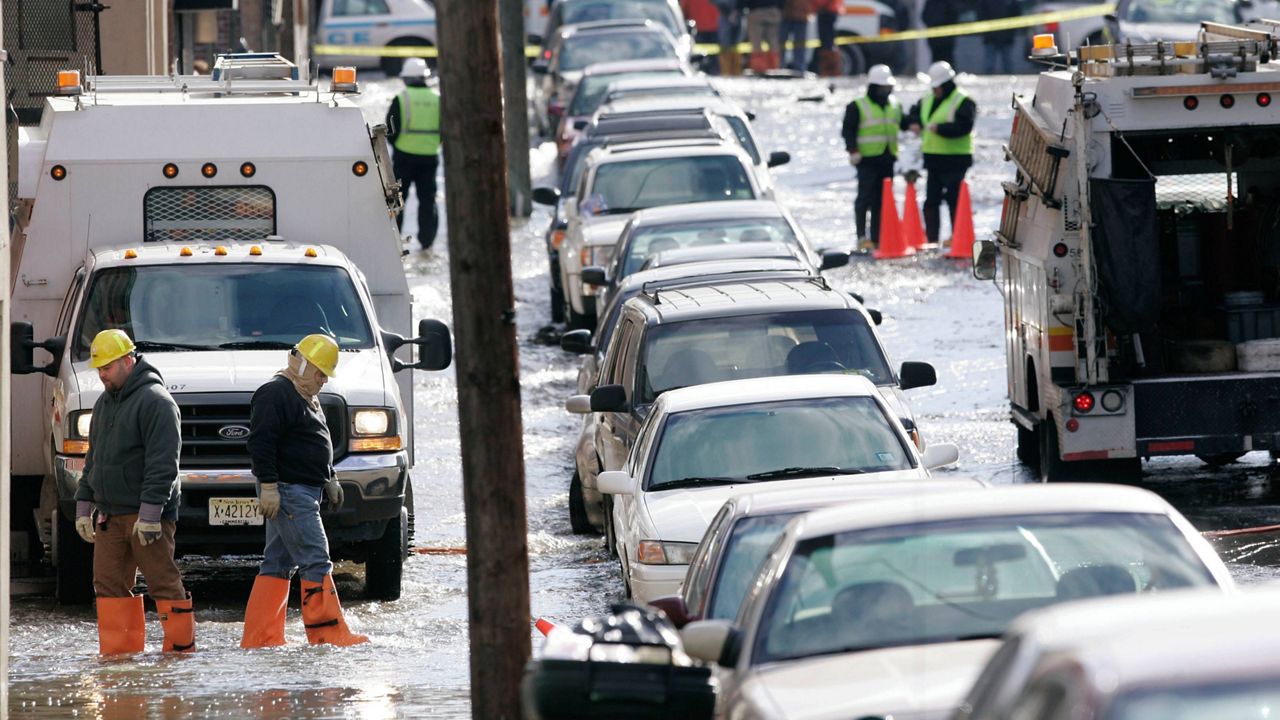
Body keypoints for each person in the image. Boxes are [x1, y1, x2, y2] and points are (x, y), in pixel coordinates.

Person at [240, 334, 369, 648]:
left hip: (301, 489)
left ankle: (261, 638)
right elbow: (261, 444)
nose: (323, 380)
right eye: (319, 372)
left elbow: (315, 441)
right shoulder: (275, 394)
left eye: (326, 374)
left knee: (276, 562)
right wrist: (268, 486)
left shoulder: (306, 394)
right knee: (316, 558)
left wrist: (330, 477)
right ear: (299, 363)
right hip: (289, 490)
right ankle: (327, 634)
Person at [74, 329, 191, 655]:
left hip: (146, 515)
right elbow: (93, 460)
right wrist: (84, 507)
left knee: (163, 583)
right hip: (110, 515)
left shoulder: (156, 402)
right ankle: (119, 658)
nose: (102, 375)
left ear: (128, 361)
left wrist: (151, 515)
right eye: (98, 369)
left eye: (107, 368)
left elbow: (164, 465)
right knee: (108, 585)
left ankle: (181, 654)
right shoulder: (104, 404)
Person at [905, 61, 975, 247]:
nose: (934, 90)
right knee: (931, 201)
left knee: (954, 200)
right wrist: (914, 123)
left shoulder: (963, 101)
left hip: (955, 159)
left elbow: (964, 126)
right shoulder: (928, 99)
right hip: (933, 158)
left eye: (937, 87)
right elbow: (915, 113)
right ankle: (932, 238)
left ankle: (957, 237)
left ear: (946, 84)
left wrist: (941, 129)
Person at [841, 64, 903, 251]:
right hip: (867, 160)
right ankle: (862, 237)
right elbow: (848, 130)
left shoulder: (894, 104)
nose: (887, 90)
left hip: (887, 158)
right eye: (883, 87)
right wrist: (853, 150)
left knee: (882, 200)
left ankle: (877, 237)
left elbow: (903, 122)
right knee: (864, 199)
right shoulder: (857, 106)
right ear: (874, 87)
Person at [385, 57, 441, 250]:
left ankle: (394, 241)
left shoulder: (401, 99)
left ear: (406, 79)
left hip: (404, 157)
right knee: (428, 200)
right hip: (429, 156)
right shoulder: (438, 99)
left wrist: (400, 145)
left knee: (398, 200)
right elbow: (446, 129)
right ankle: (427, 242)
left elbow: (390, 131)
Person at [976, 0, 1020, 74]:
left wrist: (1011, 32)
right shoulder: (985, 2)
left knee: (1007, 63)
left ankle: (1009, 80)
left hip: (1006, 36)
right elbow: (980, 14)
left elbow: (1016, 14)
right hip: (991, 37)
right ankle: (988, 81)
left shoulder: (1011, 2)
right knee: (989, 64)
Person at [739, 0, 784, 72]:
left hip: (756, 11)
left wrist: (739, 8)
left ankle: (759, 68)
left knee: (756, 41)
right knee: (773, 41)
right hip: (773, 10)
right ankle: (774, 67)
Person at [921, 0, 959, 67]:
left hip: (947, 39)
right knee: (936, 61)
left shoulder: (948, 2)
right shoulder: (931, 2)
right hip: (935, 40)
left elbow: (954, 15)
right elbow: (924, 16)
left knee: (948, 61)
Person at [714, 0, 745, 75]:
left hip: (738, 15)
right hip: (725, 16)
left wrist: (736, 11)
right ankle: (726, 71)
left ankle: (735, 71)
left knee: (736, 45)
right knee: (725, 45)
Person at [781, 0, 812, 72]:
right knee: (783, 44)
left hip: (798, 14)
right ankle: (798, 67)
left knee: (799, 44)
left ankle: (799, 67)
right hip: (789, 13)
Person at [813, 0, 841, 76]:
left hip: (827, 11)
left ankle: (829, 71)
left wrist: (815, 5)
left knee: (827, 44)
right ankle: (831, 71)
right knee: (828, 43)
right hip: (828, 10)